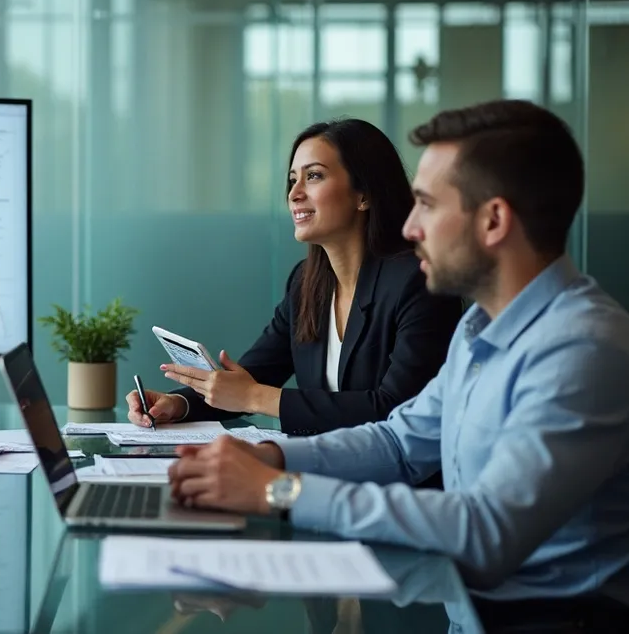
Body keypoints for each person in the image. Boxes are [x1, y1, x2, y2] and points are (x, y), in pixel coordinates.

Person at [167, 100, 629, 624]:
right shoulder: (481, 332)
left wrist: (278, 489)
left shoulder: (582, 349)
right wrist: (272, 458)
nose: (409, 227)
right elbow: (397, 441)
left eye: (427, 205)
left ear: (494, 220)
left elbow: (486, 529)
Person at [128, 119, 463, 435]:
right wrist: (178, 404)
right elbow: (251, 378)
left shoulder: (418, 282)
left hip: (396, 487)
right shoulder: (306, 283)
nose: (294, 193)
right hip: (323, 469)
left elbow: (397, 409)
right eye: (292, 180)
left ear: (364, 195)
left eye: (314, 176)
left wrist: (255, 397)